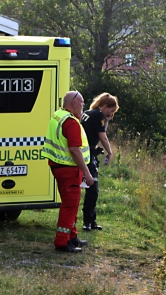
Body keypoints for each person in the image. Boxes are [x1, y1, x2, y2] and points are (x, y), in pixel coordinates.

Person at [41, 91, 94, 253]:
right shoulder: (70, 122)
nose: (84, 105)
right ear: (73, 104)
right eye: (82, 102)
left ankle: (72, 236)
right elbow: (74, 150)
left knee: (71, 204)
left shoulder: (58, 115)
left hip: (59, 166)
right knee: (70, 206)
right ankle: (62, 242)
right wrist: (87, 173)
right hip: (69, 169)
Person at [80, 92, 119, 232]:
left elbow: (100, 131)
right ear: (104, 105)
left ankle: (91, 219)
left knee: (91, 188)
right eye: (111, 110)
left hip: (84, 153)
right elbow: (103, 137)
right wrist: (109, 152)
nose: (112, 113)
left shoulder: (89, 113)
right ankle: (88, 221)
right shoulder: (97, 115)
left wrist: (107, 120)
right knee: (93, 190)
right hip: (88, 154)